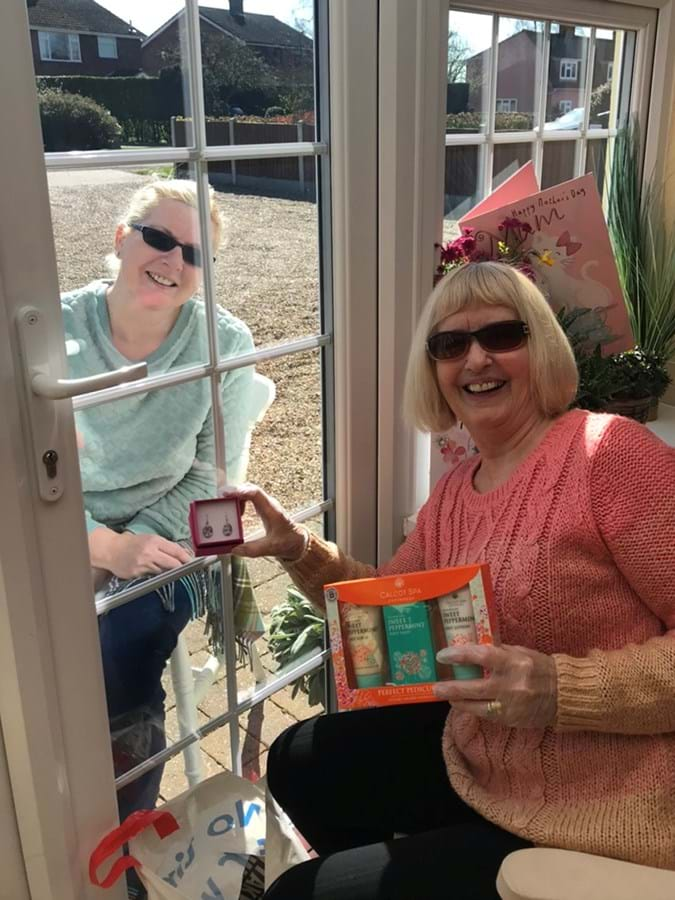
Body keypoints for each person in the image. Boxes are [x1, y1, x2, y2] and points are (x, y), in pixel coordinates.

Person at [229, 261, 675, 899]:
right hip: (490, 764)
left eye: (502, 336)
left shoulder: (609, 453)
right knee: (300, 758)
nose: (476, 360)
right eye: (451, 344)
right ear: (434, 369)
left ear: (540, 345)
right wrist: (297, 548)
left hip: (607, 806)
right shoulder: (455, 494)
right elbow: (383, 614)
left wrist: (557, 687)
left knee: (298, 894)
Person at [61, 179, 260, 827]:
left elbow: (214, 478)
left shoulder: (223, 345)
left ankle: (119, 841)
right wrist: (100, 545)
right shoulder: (54, 329)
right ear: (122, 239)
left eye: (194, 255)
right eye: (159, 238)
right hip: (59, 528)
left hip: (169, 533)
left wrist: (132, 551)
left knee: (120, 645)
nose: (173, 261)